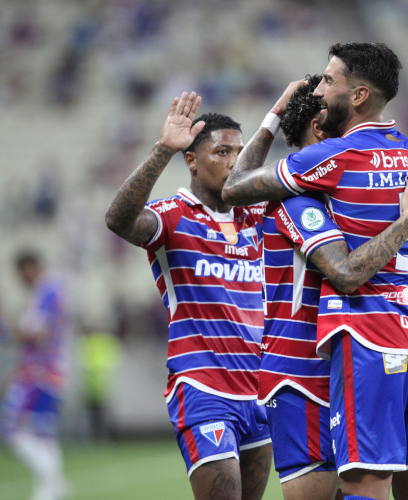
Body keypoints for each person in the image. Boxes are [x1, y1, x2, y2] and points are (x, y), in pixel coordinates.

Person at [223, 43, 408, 500]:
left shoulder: (330, 163)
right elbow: (390, 275)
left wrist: (275, 112)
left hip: (356, 343)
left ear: (360, 95)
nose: (321, 89)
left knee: (363, 486)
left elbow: (234, 188)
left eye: (329, 80)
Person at [105, 93, 272, 500]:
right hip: (204, 389)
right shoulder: (172, 216)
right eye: (221, 151)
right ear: (193, 161)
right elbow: (118, 220)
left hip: (260, 389)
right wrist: (164, 148)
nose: (233, 161)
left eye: (238, 151)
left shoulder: (258, 218)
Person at [0, 250, 73, 500]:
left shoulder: (46, 291)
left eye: (20, 272)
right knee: (44, 434)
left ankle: (53, 481)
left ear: (29, 267)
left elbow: (38, 335)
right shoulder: (51, 291)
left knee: (10, 428)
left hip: (39, 373)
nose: (20, 278)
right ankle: (49, 489)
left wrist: (7, 330)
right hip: (50, 371)